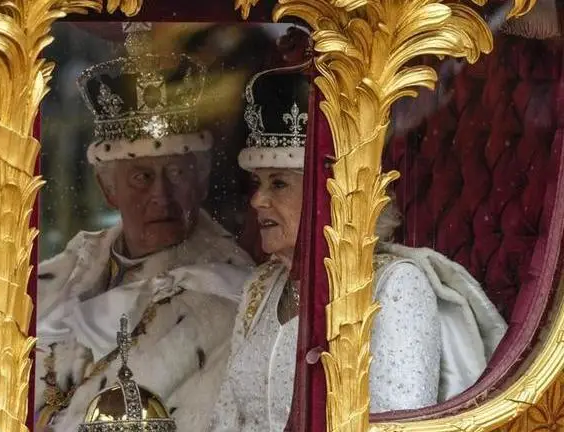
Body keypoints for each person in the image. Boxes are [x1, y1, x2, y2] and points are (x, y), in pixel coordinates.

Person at [208, 59, 508, 431]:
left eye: (279, 184)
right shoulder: (260, 287)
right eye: (258, 183)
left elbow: (397, 424)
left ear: (329, 192)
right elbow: (224, 419)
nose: (257, 200)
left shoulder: (395, 286)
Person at [35, 23, 254, 431]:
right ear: (106, 188)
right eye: (141, 178)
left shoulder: (230, 297)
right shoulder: (68, 270)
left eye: (176, 173)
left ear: (202, 182)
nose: (162, 196)